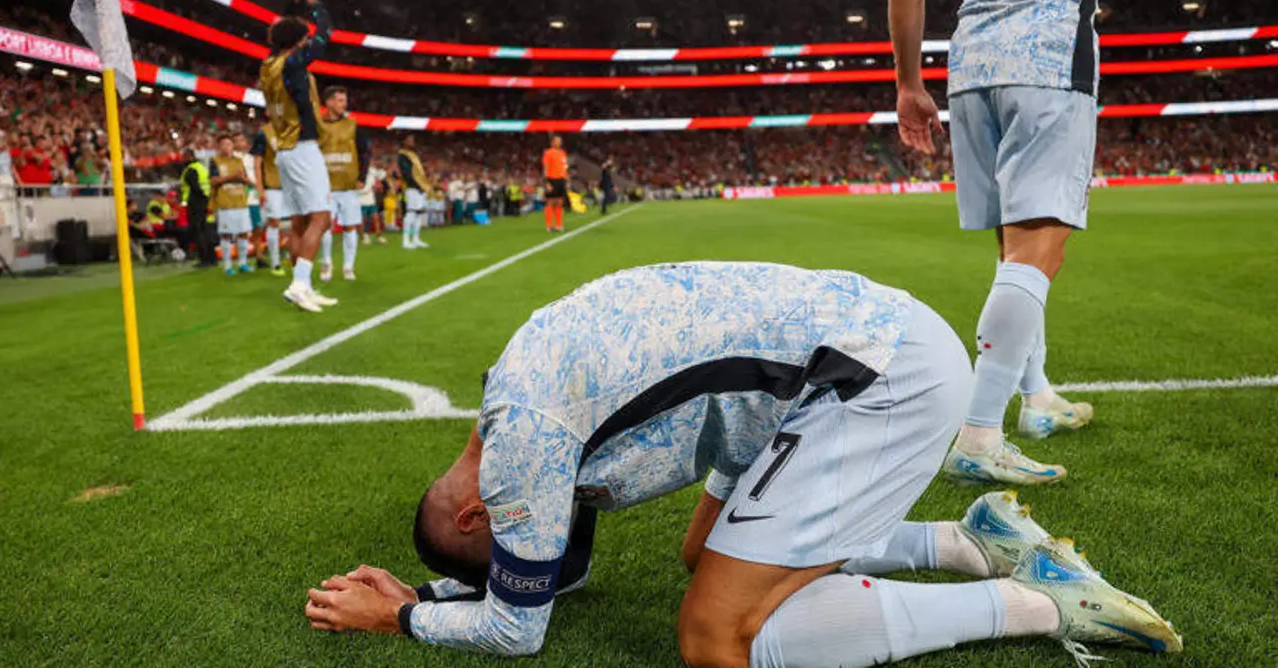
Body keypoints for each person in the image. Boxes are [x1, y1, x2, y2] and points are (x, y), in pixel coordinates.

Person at [302, 263, 1181, 666]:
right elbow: (540, 584)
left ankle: (1035, 606)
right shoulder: (509, 395)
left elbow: (518, 627)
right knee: (703, 557)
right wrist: (441, 593)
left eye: (509, 551)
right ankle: (968, 541)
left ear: (477, 518)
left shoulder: (520, 457)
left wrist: (402, 623)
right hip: (822, 372)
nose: (539, 555)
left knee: (716, 635)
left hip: (874, 382)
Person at [888, 0, 1203, 485]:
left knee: (1013, 248)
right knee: (1036, 252)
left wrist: (907, 84)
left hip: (971, 71)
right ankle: (980, 437)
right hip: (1050, 62)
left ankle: (1037, 397)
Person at [259, 0, 338, 312]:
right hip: (303, 148)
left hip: (284, 150)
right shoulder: (292, 64)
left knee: (299, 221)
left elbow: (282, 35)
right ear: (297, 43)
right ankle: (300, 283)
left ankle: (301, 285)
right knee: (322, 218)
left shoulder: (269, 65)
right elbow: (326, 31)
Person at [318, 86, 372, 282]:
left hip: (349, 186)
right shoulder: (317, 125)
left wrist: (362, 177)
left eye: (344, 100)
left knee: (350, 227)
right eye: (340, 100)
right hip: (325, 187)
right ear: (329, 102)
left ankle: (348, 267)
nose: (344, 104)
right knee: (325, 227)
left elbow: (365, 152)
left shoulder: (353, 125)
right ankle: (326, 263)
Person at [208, 134, 254, 276]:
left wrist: (248, 182)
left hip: (240, 201)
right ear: (219, 147)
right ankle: (227, 266)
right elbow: (213, 181)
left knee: (243, 233)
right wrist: (232, 178)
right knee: (226, 234)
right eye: (223, 144)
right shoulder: (215, 161)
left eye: (229, 144)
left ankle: (243, 263)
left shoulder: (239, 161)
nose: (227, 147)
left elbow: (245, 179)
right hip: (225, 203)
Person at [251, 121, 292, 277]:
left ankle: (290, 256)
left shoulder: (290, 131)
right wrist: (260, 189)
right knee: (274, 222)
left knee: (294, 224)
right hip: (272, 186)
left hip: (289, 185)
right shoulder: (264, 132)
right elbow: (257, 164)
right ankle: (275, 263)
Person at [233, 132, 266, 270]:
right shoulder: (233, 158)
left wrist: (259, 188)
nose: (240, 143)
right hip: (241, 197)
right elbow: (239, 176)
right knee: (242, 230)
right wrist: (253, 184)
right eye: (236, 140)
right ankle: (242, 261)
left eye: (242, 140)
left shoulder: (251, 158)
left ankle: (259, 258)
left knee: (257, 228)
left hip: (253, 198)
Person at [179, 148, 215, 267]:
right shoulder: (201, 167)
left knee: (198, 231)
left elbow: (195, 187)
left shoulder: (190, 170)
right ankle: (212, 258)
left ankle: (204, 259)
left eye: (184, 156)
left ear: (189, 156)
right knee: (207, 229)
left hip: (195, 202)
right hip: (205, 200)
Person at [396, 134, 429, 250]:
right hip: (411, 187)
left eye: (413, 140)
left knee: (419, 213)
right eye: (409, 140)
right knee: (411, 212)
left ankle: (416, 238)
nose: (412, 142)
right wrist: (417, 185)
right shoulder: (402, 155)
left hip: (419, 187)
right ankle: (405, 240)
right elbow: (407, 174)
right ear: (404, 141)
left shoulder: (413, 154)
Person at [541, 135, 568, 232]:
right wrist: (547, 182)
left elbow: (565, 167)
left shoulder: (563, 153)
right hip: (552, 179)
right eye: (557, 141)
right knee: (550, 202)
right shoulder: (548, 153)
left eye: (560, 141)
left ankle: (558, 225)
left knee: (560, 202)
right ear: (552, 143)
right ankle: (548, 225)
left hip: (561, 180)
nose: (559, 143)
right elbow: (545, 168)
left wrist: (567, 180)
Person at [360, 160, 386, 246]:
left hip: (371, 199)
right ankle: (364, 236)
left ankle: (379, 235)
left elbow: (382, 175)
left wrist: (382, 167)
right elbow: (357, 188)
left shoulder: (372, 170)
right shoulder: (358, 172)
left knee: (376, 218)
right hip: (361, 200)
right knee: (363, 220)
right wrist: (367, 189)